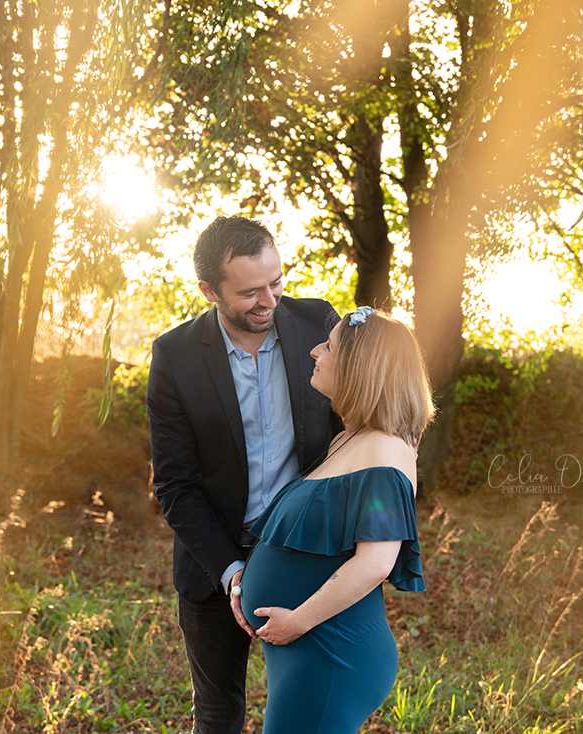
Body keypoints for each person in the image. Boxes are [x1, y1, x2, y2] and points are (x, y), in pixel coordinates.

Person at [146, 215, 341, 734]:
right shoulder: (174, 356)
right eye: (250, 291)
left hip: (308, 554)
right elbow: (175, 485)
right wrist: (232, 572)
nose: (270, 300)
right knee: (216, 715)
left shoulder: (320, 325)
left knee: (313, 711)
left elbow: (357, 427)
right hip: (214, 567)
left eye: (276, 282)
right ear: (208, 289)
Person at [237, 306, 433, 734]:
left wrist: (297, 622)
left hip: (331, 653)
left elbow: (376, 562)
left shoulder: (385, 451)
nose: (314, 351)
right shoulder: (350, 438)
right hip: (307, 651)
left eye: (328, 346)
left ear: (359, 367)